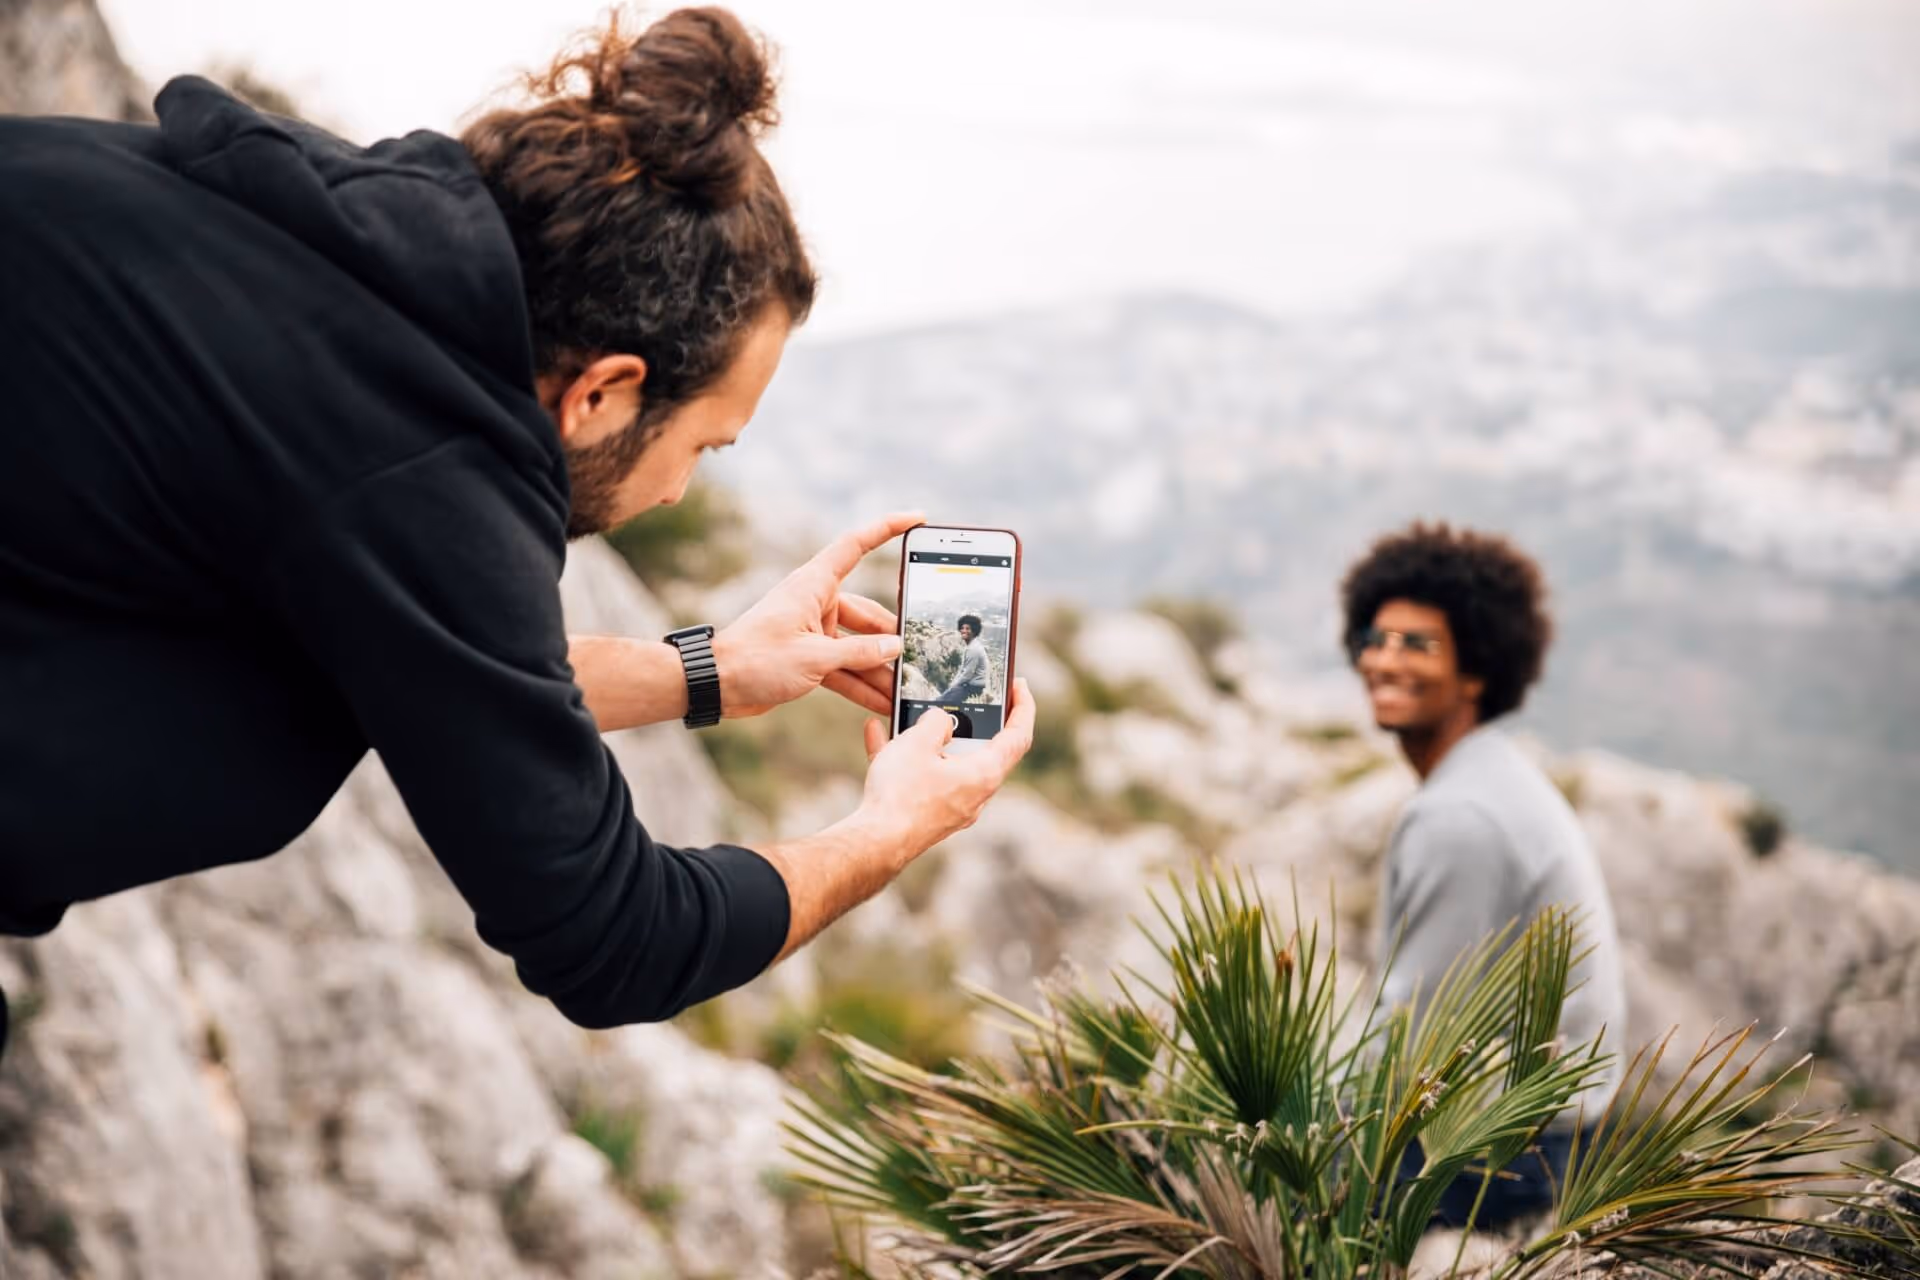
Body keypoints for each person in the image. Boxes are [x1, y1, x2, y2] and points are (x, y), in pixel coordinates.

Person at [0, 7, 1035, 1063]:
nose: (680, 492)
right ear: (605, 393)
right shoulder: (421, 468)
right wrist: (893, 826)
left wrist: (710, 668)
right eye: (702, 447)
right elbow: (619, 936)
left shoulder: (318, 262)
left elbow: (444, 667)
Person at [1343, 521, 1625, 1228]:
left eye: (1418, 644)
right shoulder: (1489, 776)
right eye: (1376, 639)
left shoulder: (1460, 815)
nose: (1385, 660)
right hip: (1558, 1135)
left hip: (1512, 1156)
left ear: (1476, 669)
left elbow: (1415, 1034)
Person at [937, 614, 991, 704]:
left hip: (974, 688)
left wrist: (953, 686)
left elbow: (967, 674)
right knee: (941, 698)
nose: (964, 631)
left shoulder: (974, 649)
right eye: (962, 628)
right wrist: (953, 685)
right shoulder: (970, 646)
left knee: (941, 702)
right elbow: (962, 669)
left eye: (967, 628)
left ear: (974, 631)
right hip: (967, 686)